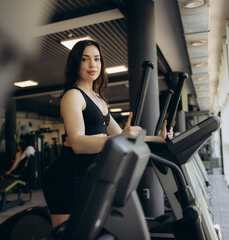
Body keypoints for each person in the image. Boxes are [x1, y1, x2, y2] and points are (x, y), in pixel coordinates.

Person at [42, 40, 173, 228]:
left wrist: (158, 138)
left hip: (90, 175)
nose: (92, 64)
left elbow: (122, 135)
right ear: (75, 63)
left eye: (97, 59)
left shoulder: (99, 100)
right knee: (70, 235)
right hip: (68, 176)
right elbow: (78, 143)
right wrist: (120, 137)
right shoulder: (73, 96)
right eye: (85, 59)